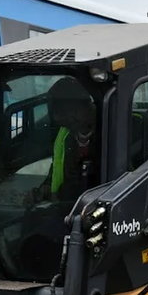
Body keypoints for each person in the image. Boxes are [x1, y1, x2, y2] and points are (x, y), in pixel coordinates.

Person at [27, 77, 97, 205]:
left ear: (85, 105)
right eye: (63, 122)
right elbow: (57, 169)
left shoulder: (115, 131)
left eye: (69, 115)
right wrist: (44, 189)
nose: (68, 125)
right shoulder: (64, 137)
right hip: (66, 209)